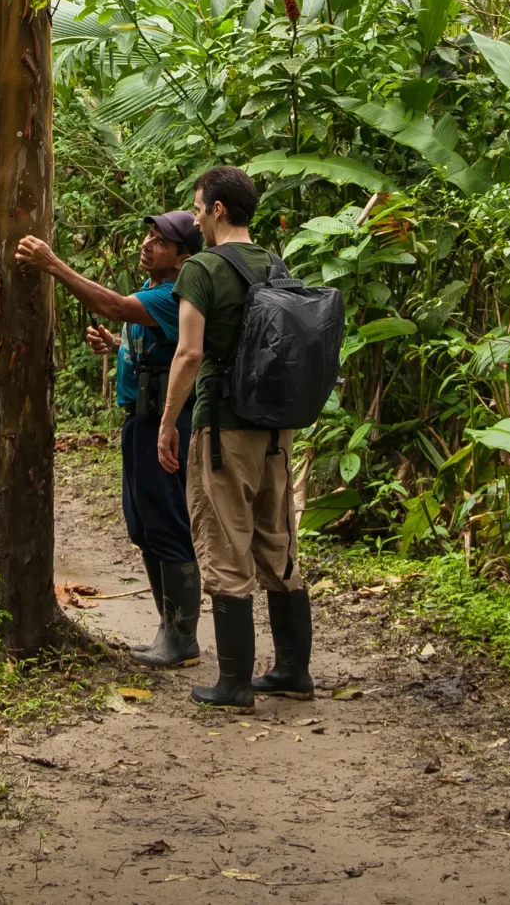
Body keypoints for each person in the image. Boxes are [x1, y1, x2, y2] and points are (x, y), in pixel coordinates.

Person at [14, 210, 203, 668]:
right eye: (148, 236)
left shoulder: (173, 295)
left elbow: (116, 306)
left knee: (166, 525)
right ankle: (167, 630)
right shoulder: (156, 294)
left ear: (181, 258)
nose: (147, 244)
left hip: (164, 426)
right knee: (144, 527)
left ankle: (182, 639)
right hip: (140, 423)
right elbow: (154, 350)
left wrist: (53, 264)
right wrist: (117, 348)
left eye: (159, 241)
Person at [157, 166, 314, 710]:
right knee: (278, 543)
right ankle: (294, 670)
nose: (196, 217)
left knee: (225, 545)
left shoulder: (201, 268)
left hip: (223, 426)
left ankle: (234, 683)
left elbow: (190, 352)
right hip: (275, 428)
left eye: (199, 207)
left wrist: (167, 421)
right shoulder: (275, 263)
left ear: (218, 209)